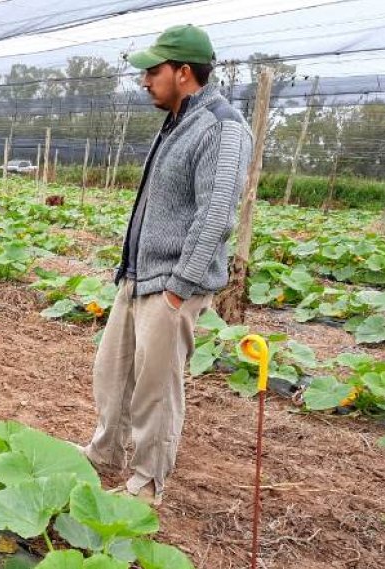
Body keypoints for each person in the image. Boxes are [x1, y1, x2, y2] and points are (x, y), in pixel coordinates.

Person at [83, 25, 252, 503]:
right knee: (112, 374)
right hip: (138, 276)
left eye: (153, 71)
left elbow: (216, 213)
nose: (144, 81)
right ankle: (105, 453)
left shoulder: (221, 126)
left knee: (156, 391)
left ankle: (146, 483)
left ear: (183, 72)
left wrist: (180, 286)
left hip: (172, 282)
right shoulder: (178, 120)